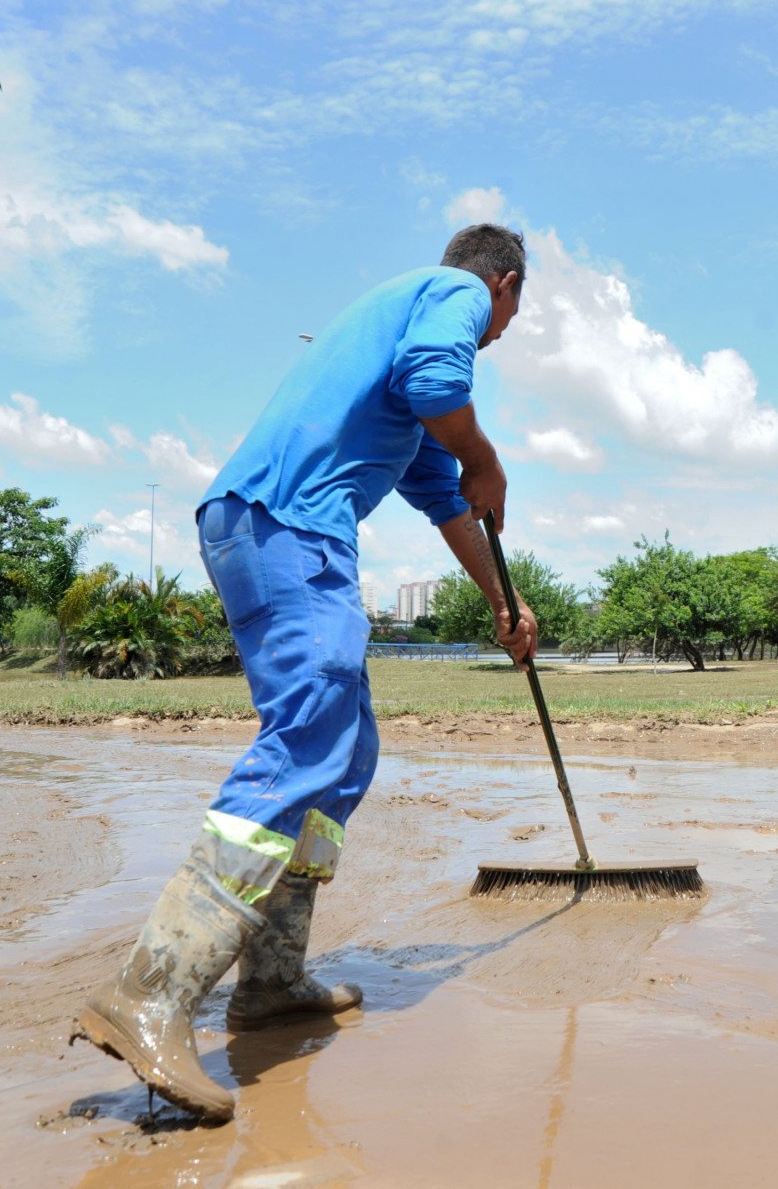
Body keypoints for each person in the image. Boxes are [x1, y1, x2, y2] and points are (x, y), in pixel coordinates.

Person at [73, 224, 542, 1123]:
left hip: (268, 527)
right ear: (505, 284)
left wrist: (500, 604)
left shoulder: (391, 371)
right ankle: (150, 992)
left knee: (345, 757)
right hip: (287, 525)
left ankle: (273, 979)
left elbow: (444, 498)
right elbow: (440, 386)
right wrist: (486, 455)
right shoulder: (450, 294)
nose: (499, 330)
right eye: (508, 314)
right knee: (309, 739)